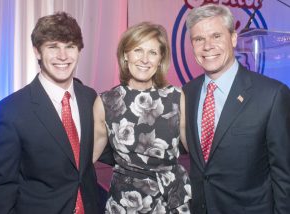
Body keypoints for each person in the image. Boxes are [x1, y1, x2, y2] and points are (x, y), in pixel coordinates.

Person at [0, 12, 113, 214]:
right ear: (37, 51)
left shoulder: (89, 98)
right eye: (53, 47)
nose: (63, 56)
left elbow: (105, 150)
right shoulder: (8, 112)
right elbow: (0, 190)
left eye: (70, 47)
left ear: (79, 51)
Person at [183, 3, 290, 214]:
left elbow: (284, 176)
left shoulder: (271, 95)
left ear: (233, 38)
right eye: (199, 39)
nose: (207, 46)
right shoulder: (186, 93)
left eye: (216, 36)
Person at [92, 22, 192, 213]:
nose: (145, 59)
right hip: (127, 202)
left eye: (153, 53)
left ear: (160, 59)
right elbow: (88, 158)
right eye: (138, 50)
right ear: (125, 55)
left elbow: (196, 152)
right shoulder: (106, 102)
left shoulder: (176, 97)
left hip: (172, 199)